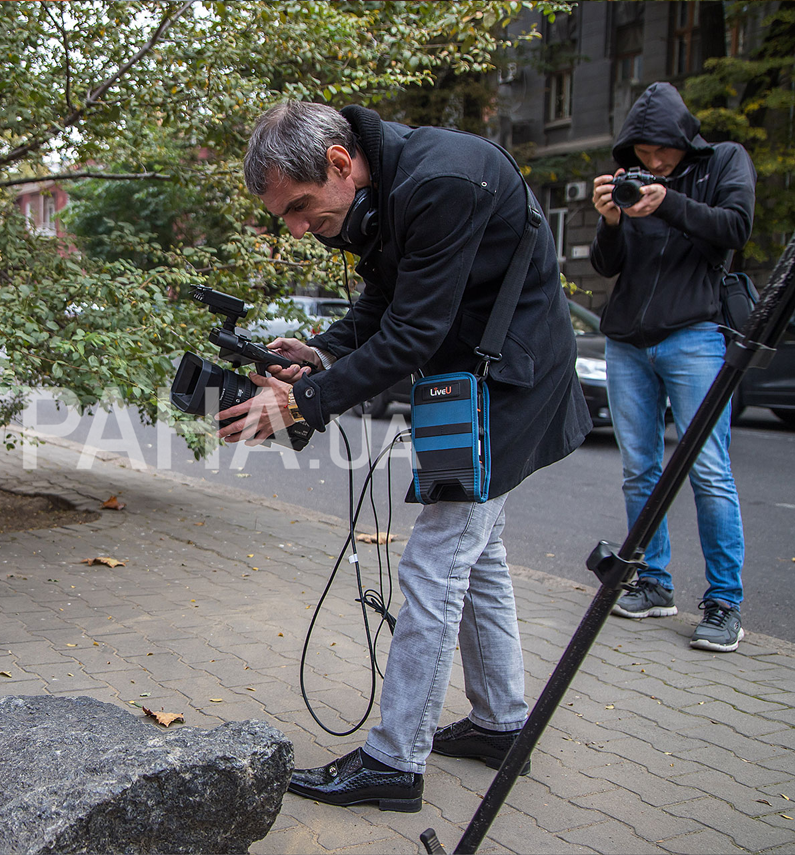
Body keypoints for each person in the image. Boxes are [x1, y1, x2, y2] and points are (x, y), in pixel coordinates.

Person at [224, 101, 591, 811]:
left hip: (510, 381)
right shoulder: (385, 188)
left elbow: (413, 332)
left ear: (339, 162)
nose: (296, 229)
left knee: (436, 560)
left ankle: (394, 763)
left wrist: (300, 402)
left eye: (299, 207)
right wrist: (321, 351)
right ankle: (501, 724)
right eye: (283, 217)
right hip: (471, 382)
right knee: (478, 556)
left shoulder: (441, 181)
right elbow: (385, 304)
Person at [589, 82, 755, 653]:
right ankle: (653, 582)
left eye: (661, 151)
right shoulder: (631, 179)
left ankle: (724, 602)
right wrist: (611, 221)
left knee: (709, 470)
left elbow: (735, 228)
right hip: (627, 340)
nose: (653, 162)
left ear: (683, 139)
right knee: (640, 469)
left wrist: (668, 202)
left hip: (695, 336)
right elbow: (606, 264)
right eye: (643, 153)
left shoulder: (724, 161)